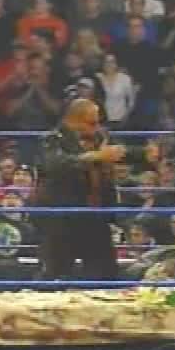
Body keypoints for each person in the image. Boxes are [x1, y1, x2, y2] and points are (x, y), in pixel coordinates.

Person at [38, 99, 127, 280]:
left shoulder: (100, 137)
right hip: (64, 215)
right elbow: (55, 164)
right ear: (73, 121)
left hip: (95, 213)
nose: (96, 127)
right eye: (91, 123)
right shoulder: (53, 139)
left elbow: (119, 153)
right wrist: (96, 156)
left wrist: (144, 153)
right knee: (56, 272)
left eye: (98, 122)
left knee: (105, 271)